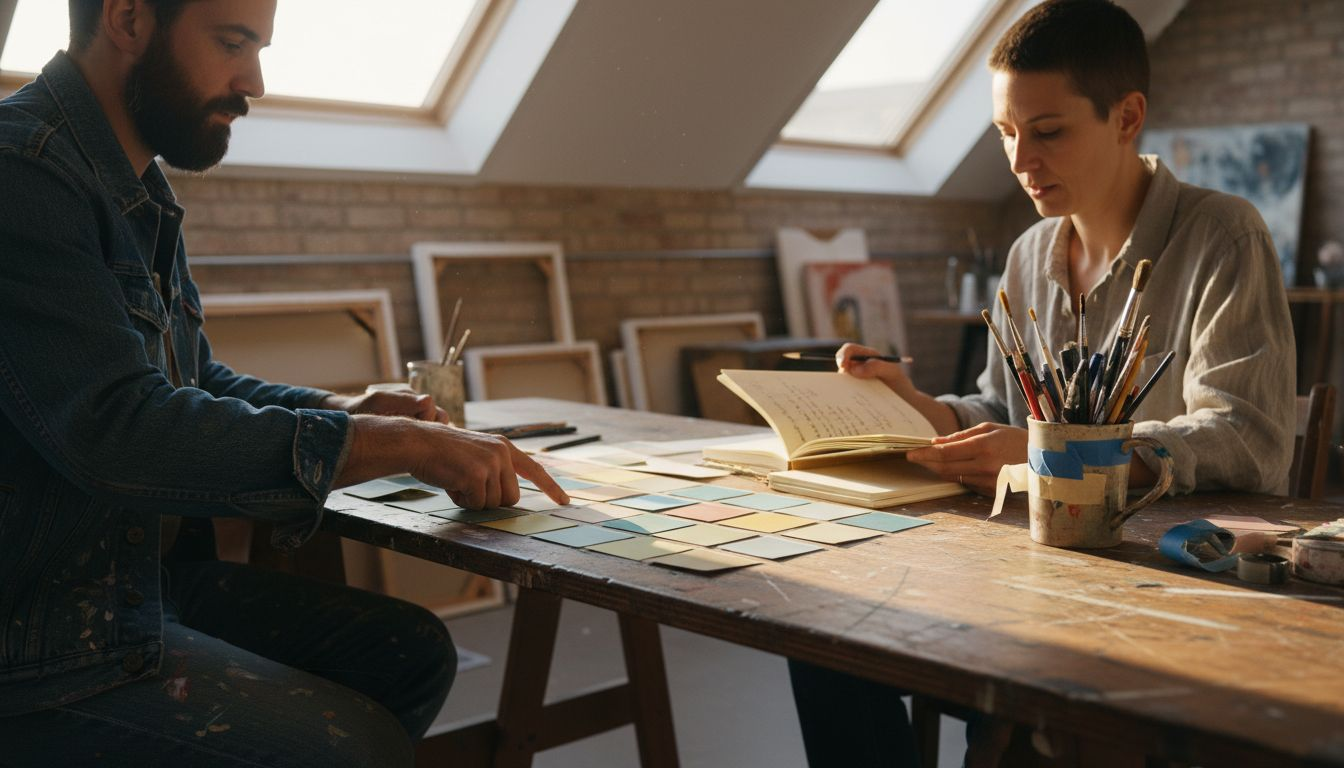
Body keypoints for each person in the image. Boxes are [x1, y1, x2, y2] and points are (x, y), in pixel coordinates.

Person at [0, 1, 567, 765]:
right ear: (129, 18)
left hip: (134, 585)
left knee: (410, 654)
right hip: (42, 631)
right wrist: (387, 442)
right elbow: (121, 430)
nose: (255, 82)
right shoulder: (23, 170)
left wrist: (345, 411)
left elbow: (196, 381)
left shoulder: (136, 188)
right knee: (355, 747)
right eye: (234, 43)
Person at [787, 1, 1295, 765]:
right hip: (1021, 575)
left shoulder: (1224, 235)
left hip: (1156, 594)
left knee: (1027, 721)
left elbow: (1248, 438)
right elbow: (1002, 407)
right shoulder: (1028, 252)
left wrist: (1059, 456)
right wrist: (921, 407)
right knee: (821, 636)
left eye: (1048, 131)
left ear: (1127, 117)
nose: (1021, 161)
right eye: (1004, 133)